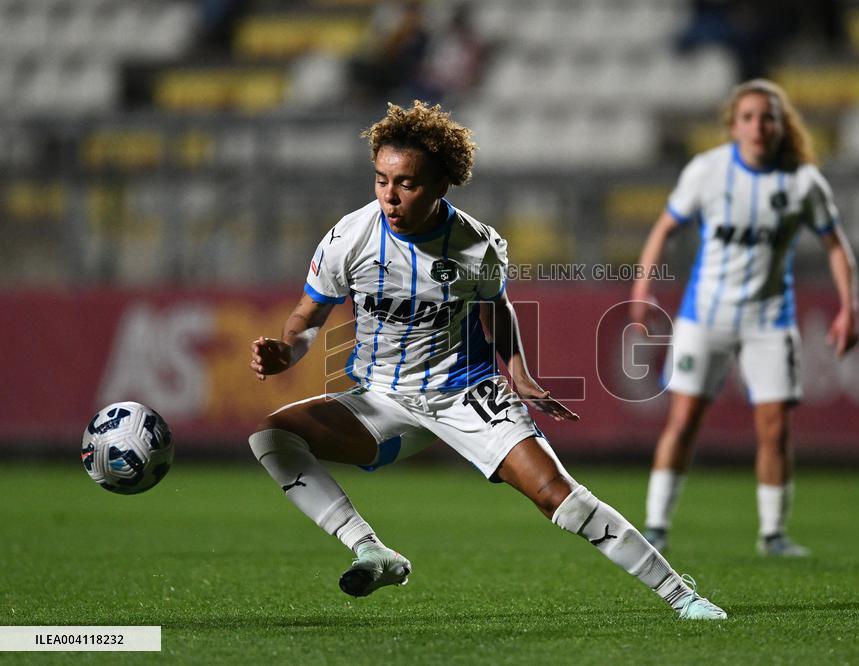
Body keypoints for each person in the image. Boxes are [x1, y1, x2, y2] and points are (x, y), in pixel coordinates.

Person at [248, 101, 727, 620]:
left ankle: (683, 596)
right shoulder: (350, 237)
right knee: (271, 437)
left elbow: (496, 311)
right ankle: (372, 550)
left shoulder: (475, 247)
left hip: (464, 394)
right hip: (381, 398)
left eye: (407, 183)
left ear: (441, 185)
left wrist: (517, 371)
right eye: (381, 179)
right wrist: (287, 352)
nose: (390, 195)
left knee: (557, 497)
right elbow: (307, 316)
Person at [630, 79, 859, 557]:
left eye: (768, 116)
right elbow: (664, 229)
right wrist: (642, 286)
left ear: (782, 124)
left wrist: (849, 307)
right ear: (733, 126)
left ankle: (773, 534)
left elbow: (836, 246)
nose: (759, 126)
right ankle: (655, 526)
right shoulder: (707, 172)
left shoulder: (802, 181)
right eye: (749, 117)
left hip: (769, 321)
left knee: (775, 426)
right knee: (684, 420)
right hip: (704, 318)